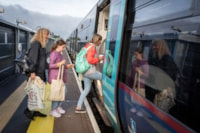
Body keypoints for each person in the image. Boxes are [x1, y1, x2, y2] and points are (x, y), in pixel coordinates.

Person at [24, 28, 50, 120]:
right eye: (46, 34)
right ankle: (28, 110)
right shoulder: (36, 44)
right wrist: (32, 72)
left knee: (38, 93)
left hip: (40, 72)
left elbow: (42, 61)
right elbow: (32, 60)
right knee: (34, 93)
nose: (48, 37)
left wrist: (52, 66)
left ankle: (36, 111)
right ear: (41, 35)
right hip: (36, 73)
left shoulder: (41, 45)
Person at [75, 33, 104, 113]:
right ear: (97, 40)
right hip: (89, 71)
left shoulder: (87, 45)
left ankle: (78, 106)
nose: (100, 42)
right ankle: (104, 98)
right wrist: (99, 58)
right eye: (100, 40)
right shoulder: (92, 47)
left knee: (86, 90)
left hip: (85, 72)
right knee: (105, 78)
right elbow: (90, 60)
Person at [48, 38, 74, 118]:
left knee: (63, 92)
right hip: (55, 77)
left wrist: (67, 66)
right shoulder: (54, 54)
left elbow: (61, 65)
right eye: (63, 47)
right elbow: (50, 66)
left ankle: (58, 106)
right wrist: (60, 64)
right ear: (58, 46)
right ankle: (53, 110)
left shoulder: (59, 53)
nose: (64, 48)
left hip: (60, 77)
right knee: (57, 93)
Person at [146, 39, 178, 104]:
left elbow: (170, 77)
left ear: (162, 46)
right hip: (150, 89)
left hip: (159, 92)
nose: (153, 47)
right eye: (153, 45)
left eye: (155, 45)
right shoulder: (153, 58)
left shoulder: (167, 59)